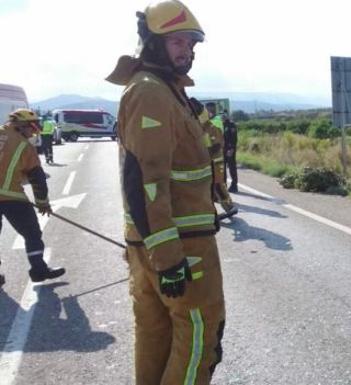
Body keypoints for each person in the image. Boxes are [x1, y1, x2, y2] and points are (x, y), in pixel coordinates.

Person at [105, 1, 225, 384]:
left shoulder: (165, 91)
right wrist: (169, 257)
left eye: (191, 44)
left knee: (156, 337)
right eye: (177, 41)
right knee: (200, 336)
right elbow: (144, 179)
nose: (187, 51)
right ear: (153, 43)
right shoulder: (152, 92)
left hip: (159, 243)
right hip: (180, 248)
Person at [0, 108, 65, 287]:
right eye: (33, 127)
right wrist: (43, 203)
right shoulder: (23, 146)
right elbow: (37, 178)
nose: (34, 132)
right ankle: (39, 270)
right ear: (22, 125)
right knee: (32, 233)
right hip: (10, 196)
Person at [203, 102, 237, 218]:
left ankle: (228, 206)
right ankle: (225, 206)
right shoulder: (210, 122)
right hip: (211, 156)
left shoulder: (214, 122)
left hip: (213, 157)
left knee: (216, 184)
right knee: (214, 184)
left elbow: (217, 141)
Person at [222, 111, 238, 193]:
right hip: (222, 150)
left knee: (232, 168)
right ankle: (224, 185)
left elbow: (234, 139)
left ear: (228, 116)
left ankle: (234, 185)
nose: (223, 117)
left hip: (229, 149)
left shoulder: (231, 125)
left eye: (224, 115)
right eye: (222, 115)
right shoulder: (221, 125)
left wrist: (231, 149)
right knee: (222, 169)